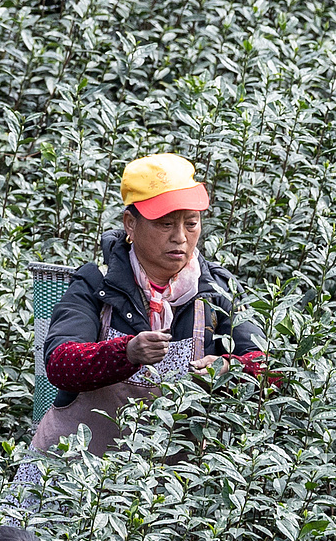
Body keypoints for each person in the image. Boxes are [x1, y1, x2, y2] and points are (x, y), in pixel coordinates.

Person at [28, 154, 270, 463]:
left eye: (191, 223)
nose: (180, 237)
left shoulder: (217, 291)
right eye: (165, 224)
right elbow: (60, 365)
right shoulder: (94, 285)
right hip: (73, 474)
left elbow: (267, 367)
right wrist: (126, 353)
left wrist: (228, 368)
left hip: (171, 485)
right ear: (130, 223)